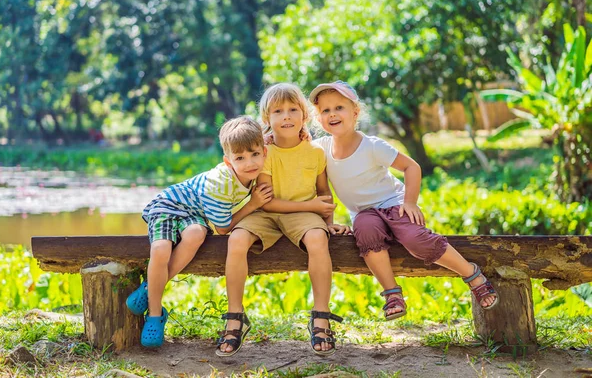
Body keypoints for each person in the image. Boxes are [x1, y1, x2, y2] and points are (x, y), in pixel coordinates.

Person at [308, 80, 499, 321]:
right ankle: (392, 293)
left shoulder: (372, 146)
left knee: (415, 239)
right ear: (318, 118)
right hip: (364, 213)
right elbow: (310, 167)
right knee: (365, 232)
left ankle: (472, 275)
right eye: (325, 110)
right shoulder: (320, 149)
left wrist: (410, 202)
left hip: (392, 203)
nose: (332, 114)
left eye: (339, 108)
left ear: (355, 113)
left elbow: (411, 167)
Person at [216, 83, 350, 357]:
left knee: (317, 239)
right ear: (267, 119)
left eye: (292, 110)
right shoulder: (264, 153)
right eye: (278, 111)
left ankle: (321, 317)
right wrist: (310, 204)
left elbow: (324, 193)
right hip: (268, 213)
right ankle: (235, 318)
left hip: (303, 215)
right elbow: (267, 200)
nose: (286, 116)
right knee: (238, 239)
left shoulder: (315, 153)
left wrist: (327, 222)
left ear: (305, 116)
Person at [126, 116, 273, 348]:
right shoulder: (221, 183)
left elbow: (269, 135)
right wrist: (252, 204)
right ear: (228, 161)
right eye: (240, 158)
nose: (250, 163)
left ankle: (149, 287)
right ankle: (155, 313)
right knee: (161, 247)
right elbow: (223, 228)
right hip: (168, 205)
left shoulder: (253, 167)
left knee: (196, 234)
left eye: (255, 154)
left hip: (194, 215)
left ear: (265, 152)